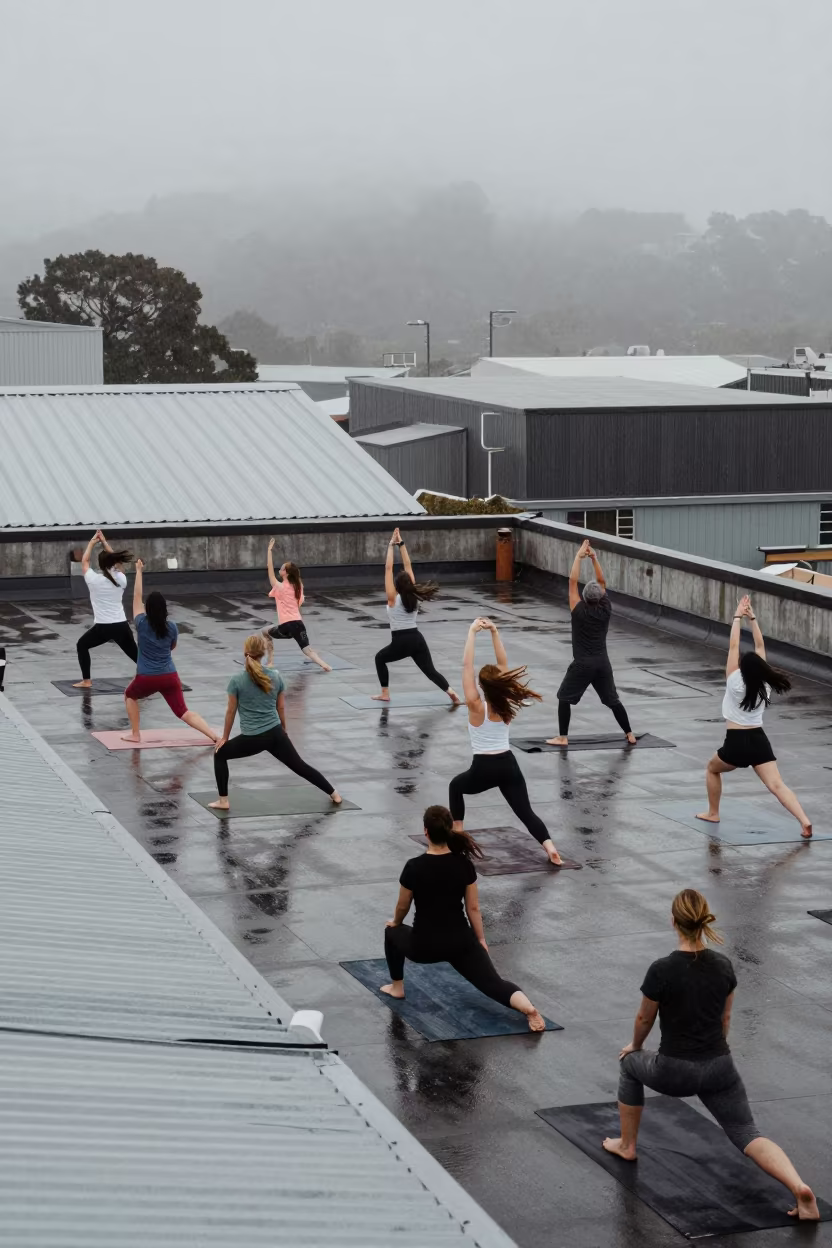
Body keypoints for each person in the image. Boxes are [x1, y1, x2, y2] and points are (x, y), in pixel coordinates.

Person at [602, 889, 819, 1221]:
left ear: (673, 922)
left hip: (673, 1071)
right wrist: (712, 1053)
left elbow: (645, 1018)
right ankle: (799, 1186)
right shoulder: (723, 965)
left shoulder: (661, 969)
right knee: (747, 1132)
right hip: (719, 1067)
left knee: (630, 1066)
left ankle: (627, 1146)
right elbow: (725, 1019)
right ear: (703, 921)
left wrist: (634, 1046)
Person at [381, 804, 546, 1032]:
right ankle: (530, 1009)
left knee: (390, 933)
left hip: (424, 946)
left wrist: (395, 923)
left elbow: (402, 906)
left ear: (426, 832)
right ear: (450, 830)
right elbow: (474, 908)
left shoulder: (413, 867)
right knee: (494, 984)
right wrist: (480, 940)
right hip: (461, 944)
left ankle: (397, 987)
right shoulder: (464, 864)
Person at [449, 617, 563, 866]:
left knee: (456, 786)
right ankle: (551, 848)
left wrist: (471, 632)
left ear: (480, 685)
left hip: (483, 767)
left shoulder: (475, 705)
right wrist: (494, 631)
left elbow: (466, 666)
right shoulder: (506, 703)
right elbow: (503, 664)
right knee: (525, 812)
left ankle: (457, 836)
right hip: (509, 765)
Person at [696, 596, 812, 838]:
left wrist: (737, 616)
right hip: (759, 740)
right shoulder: (766, 684)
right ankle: (804, 820)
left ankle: (713, 813)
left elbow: (733, 646)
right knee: (777, 785)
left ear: (742, 668)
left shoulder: (733, 680)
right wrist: (753, 618)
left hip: (736, 741)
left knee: (711, 768)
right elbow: (760, 647)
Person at [210, 634, 342, 810]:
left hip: (252, 738)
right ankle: (334, 794)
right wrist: (284, 729)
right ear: (263, 653)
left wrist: (224, 738)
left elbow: (230, 711)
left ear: (245, 653)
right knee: (299, 766)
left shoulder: (237, 680)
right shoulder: (276, 676)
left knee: (220, 754)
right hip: (275, 733)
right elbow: (281, 708)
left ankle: (223, 801)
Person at [547, 539, 636, 747]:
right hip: (602, 663)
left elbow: (572, 581)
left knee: (563, 698)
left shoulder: (578, 610)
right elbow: (602, 582)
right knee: (613, 700)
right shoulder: (605, 609)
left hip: (582, 664)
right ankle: (629, 733)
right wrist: (594, 559)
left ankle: (562, 737)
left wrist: (579, 557)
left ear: (584, 597)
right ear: (600, 597)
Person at [122, 560, 217, 744]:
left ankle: (135, 734)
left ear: (147, 609)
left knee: (129, 695)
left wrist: (139, 571)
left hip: (147, 677)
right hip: (170, 676)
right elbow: (171, 647)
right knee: (183, 712)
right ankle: (214, 736)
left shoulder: (141, 623)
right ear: (165, 609)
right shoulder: (172, 627)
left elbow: (137, 596)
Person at [373, 527, 460, 704]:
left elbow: (388, 568)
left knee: (379, 658)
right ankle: (452, 693)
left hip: (401, 640)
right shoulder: (414, 595)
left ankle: (385, 693)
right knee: (430, 670)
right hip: (417, 638)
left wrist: (391, 545)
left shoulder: (392, 599)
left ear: (397, 586)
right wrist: (401, 543)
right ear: (409, 584)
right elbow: (408, 566)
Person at [73, 530, 138, 688]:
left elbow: (85, 562)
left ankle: (87, 681)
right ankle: (152, 676)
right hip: (121, 625)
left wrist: (92, 542)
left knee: (82, 645)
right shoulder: (121, 579)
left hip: (103, 627)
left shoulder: (93, 579)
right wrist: (104, 542)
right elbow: (117, 563)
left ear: (101, 565)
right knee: (137, 656)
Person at [262, 539, 331, 672]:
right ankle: (325, 665)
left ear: (286, 573)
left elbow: (269, 569)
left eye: (282, 568)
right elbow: (299, 602)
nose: (279, 569)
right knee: (307, 649)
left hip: (287, 626)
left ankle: (270, 662)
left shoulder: (280, 587)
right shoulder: (298, 586)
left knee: (265, 632)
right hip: (298, 623)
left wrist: (269, 551)